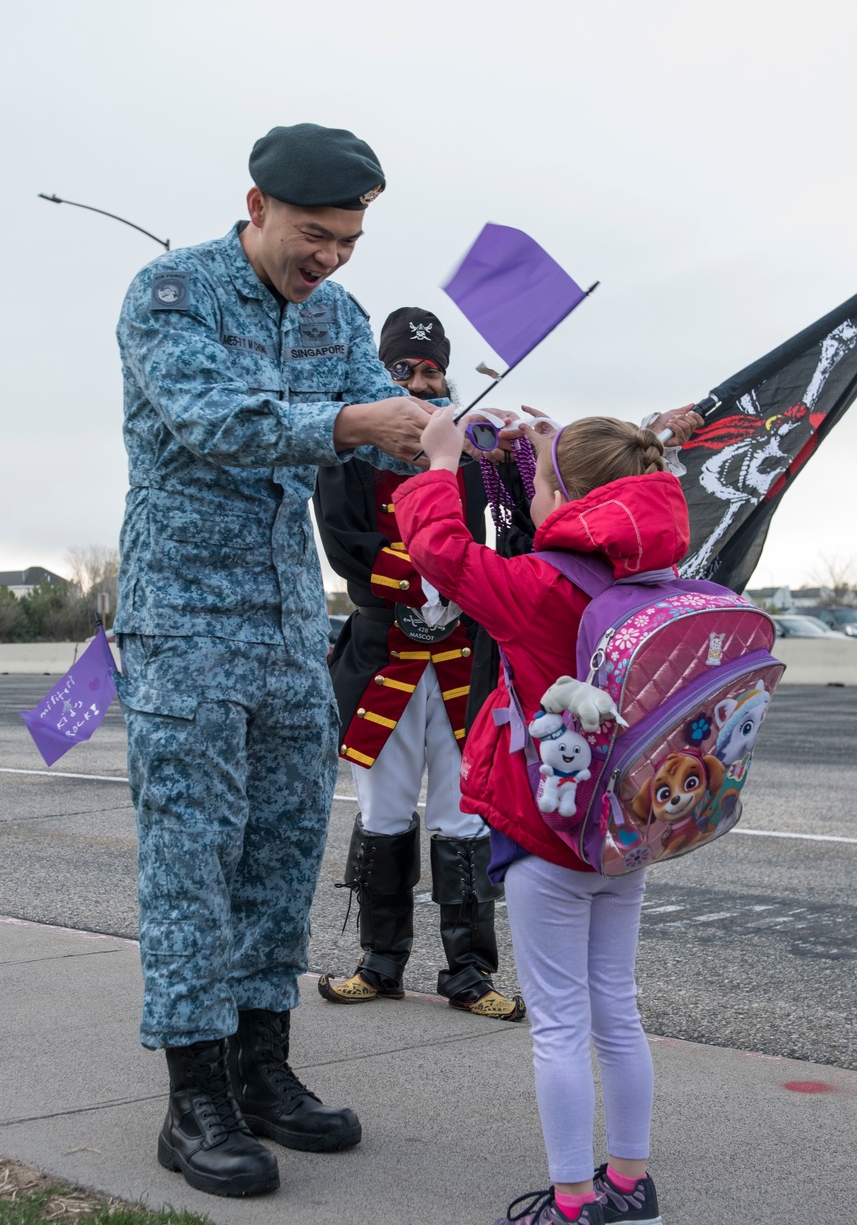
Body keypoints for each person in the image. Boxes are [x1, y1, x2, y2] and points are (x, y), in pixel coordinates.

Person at [114, 123, 437, 1199]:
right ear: (255, 206)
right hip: (185, 620)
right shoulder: (170, 293)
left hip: (291, 620)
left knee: (284, 849)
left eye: (348, 239)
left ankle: (262, 1066)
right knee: (192, 856)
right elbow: (219, 420)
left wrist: (448, 432)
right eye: (315, 234)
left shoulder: (338, 316)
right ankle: (193, 1092)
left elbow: (374, 428)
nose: (332, 257)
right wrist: (357, 416)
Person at [393, 410, 689, 1225]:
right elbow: (570, 497)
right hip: (622, 834)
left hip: (546, 830)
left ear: (568, 495)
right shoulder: (655, 578)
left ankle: (570, 1201)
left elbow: (440, 554)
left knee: (558, 1025)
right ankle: (631, 1187)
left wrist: (440, 465)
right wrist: (554, 454)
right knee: (615, 1009)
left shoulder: (536, 588)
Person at [313, 307, 525, 1022]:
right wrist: (429, 569)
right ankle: (380, 963)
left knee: (467, 814)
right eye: (403, 370)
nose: (421, 381)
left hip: (465, 660)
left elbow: (515, 541)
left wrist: (514, 461)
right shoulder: (344, 455)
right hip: (384, 659)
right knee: (383, 811)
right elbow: (347, 550)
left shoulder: (478, 456)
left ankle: (468, 973)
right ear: (382, 376)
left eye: (431, 370)